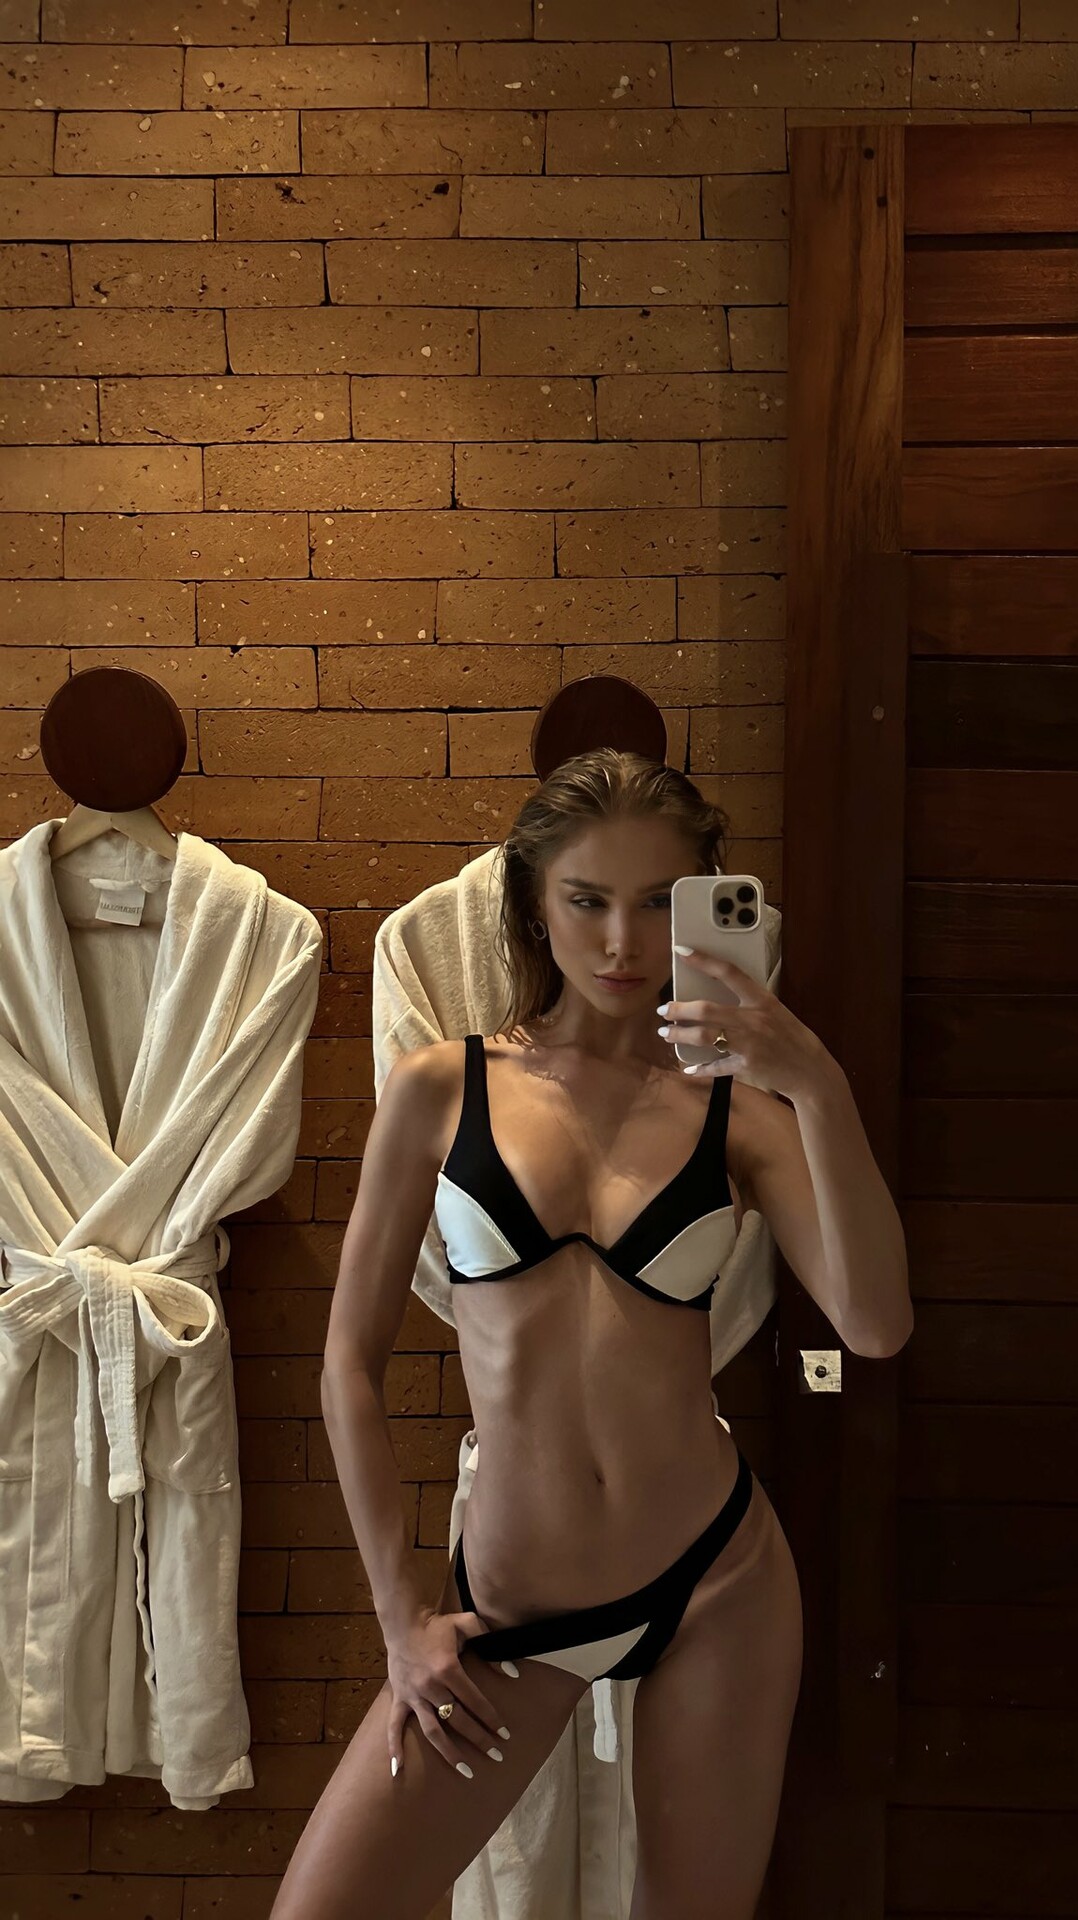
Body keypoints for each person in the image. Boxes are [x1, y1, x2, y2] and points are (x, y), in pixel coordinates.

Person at [272, 751, 912, 1920]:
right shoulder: (441, 1088)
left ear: (704, 903)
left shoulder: (742, 1116)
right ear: (533, 902)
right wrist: (401, 1619)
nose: (622, 941)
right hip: (513, 1606)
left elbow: (874, 1325)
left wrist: (817, 1084)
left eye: (659, 903)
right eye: (588, 900)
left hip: (716, 1580)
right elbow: (349, 1366)